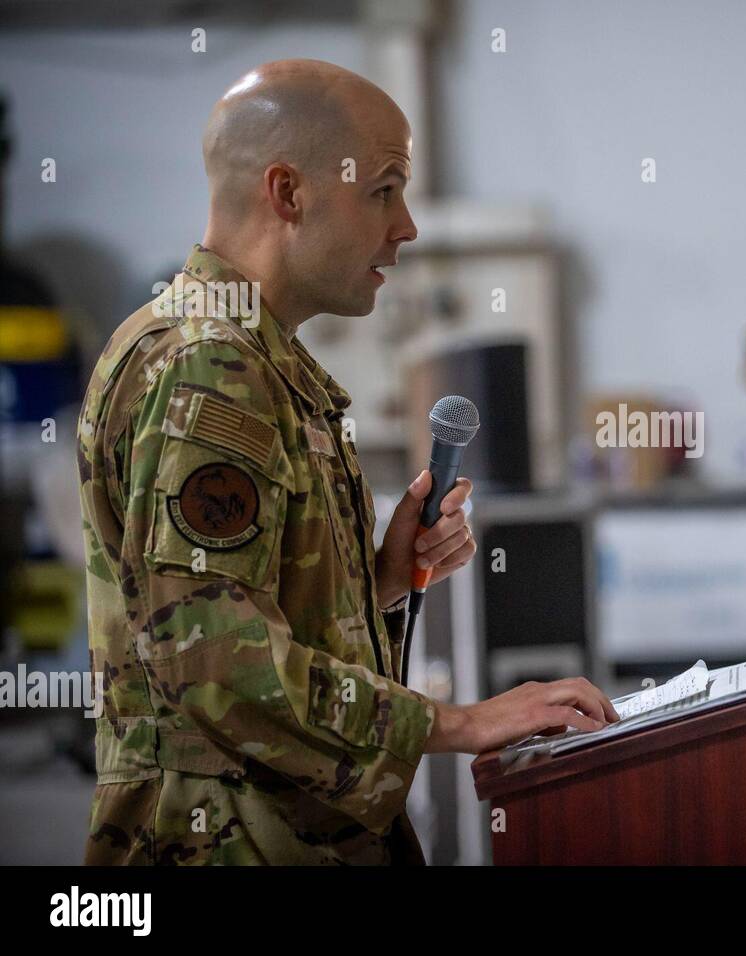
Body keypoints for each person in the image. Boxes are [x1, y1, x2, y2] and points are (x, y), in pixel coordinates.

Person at [77, 60, 617, 865]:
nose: (407, 226)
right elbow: (216, 663)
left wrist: (379, 578)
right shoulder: (207, 370)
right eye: (383, 190)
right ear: (288, 194)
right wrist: (461, 723)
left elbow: (245, 614)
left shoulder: (250, 361)